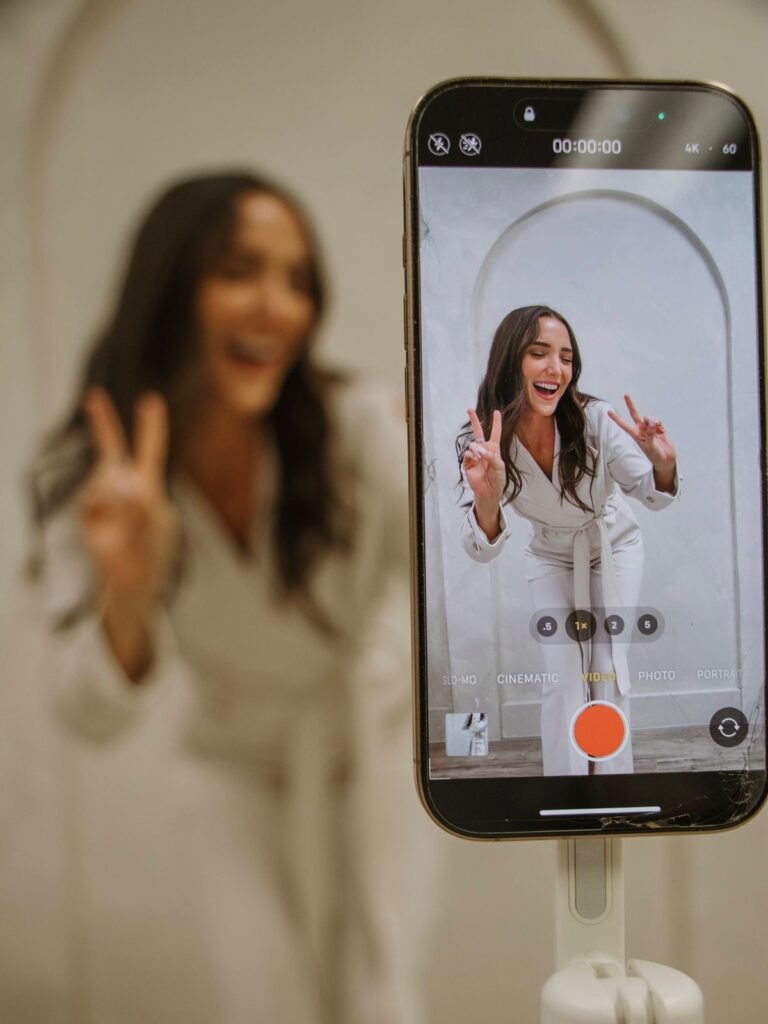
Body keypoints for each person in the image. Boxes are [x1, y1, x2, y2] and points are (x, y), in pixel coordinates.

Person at [28, 172, 428, 1023]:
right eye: (240, 270)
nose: (277, 306)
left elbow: (434, 573)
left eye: (298, 281)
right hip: (231, 762)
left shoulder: (355, 425)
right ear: (174, 285)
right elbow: (86, 714)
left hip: (369, 744)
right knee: (265, 998)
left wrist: (381, 665)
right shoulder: (90, 481)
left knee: (381, 999)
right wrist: (127, 594)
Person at [458, 305, 678, 776]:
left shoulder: (595, 419)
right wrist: (488, 499)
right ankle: (567, 785)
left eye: (566, 357)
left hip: (614, 546)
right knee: (564, 675)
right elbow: (481, 547)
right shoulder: (480, 443)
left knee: (607, 663)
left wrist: (659, 461)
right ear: (510, 361)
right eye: (539, 353)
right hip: (551, 554)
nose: (556, 369)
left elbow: (653, 496)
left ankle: (613, 786)